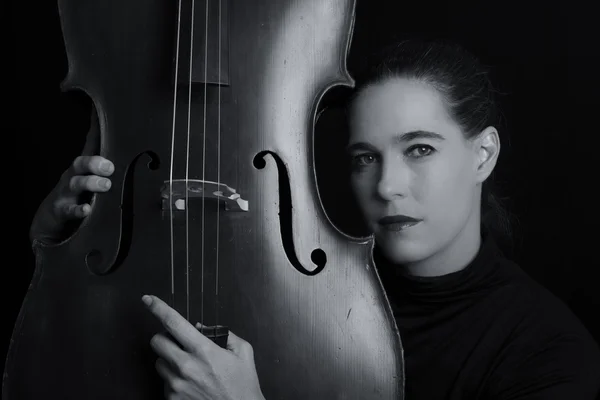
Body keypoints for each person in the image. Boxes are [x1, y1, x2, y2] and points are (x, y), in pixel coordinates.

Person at [28, 38, 600, 399]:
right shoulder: (290, 294)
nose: (387, 185)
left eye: (420, 149)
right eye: (364, 158)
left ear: (484, 154)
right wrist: (57, 249)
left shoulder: (547, 351)